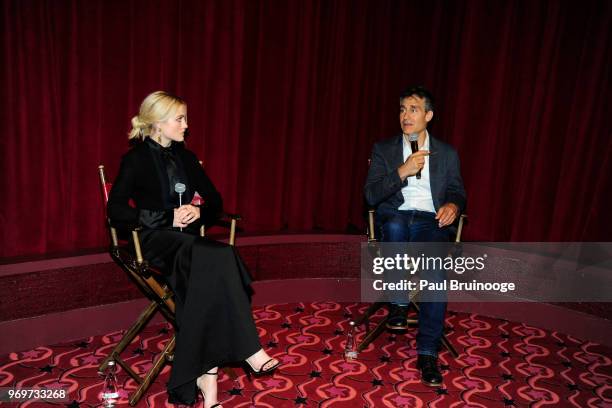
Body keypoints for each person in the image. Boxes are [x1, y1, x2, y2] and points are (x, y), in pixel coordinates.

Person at [107, 91, 280, 407]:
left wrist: (200, 212)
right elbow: (116, 210)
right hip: (154, 240)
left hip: (190, 246)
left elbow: (215, 200)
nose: (186, 125)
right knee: (217, 257)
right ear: (159, 123)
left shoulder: (186, 157)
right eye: (180, 119)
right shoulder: (135, 160)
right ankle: (248, 350)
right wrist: (164, 216)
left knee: (217, 264)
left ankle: (206, 377)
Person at [364, 86, 466, 386]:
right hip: (396, 214)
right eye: (402, 110)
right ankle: (398, 302)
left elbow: (458, 191)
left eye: (413, 109)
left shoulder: (447, 153)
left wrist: (453, 205)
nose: (405, 116)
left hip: (429, 222)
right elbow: (370, 196)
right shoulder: (384, 149)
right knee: (395, 227)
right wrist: (403, 171)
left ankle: (427, 353)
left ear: (429, 115)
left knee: (436, 275)